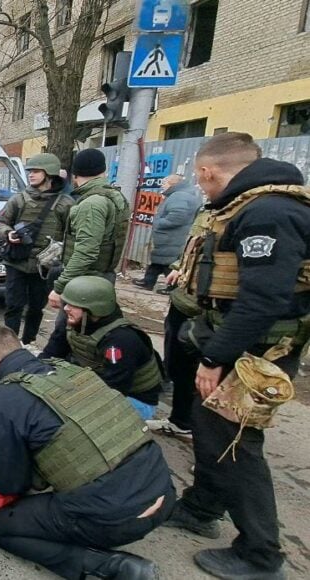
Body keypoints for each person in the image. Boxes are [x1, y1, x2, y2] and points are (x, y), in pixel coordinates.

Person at [162, 132, 310, 580]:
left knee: (234, 443)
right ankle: (201, 508)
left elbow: (263, 301)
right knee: (210, 431)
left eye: (202, 181)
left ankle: (260, 555)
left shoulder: (269, 212)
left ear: (208, 171)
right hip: (237, 345)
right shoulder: (254, 205)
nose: (202, 190)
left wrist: (215, 358)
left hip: (253, 354)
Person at [0, 325, 175, 580]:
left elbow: (9, 483)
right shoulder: (72, 370)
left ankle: (108, 566)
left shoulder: (3, 399)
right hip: (163, 491)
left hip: (117, 518)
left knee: (0, 526)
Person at [43, 149, 131, 357]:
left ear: (75, 174)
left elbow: (86, 251)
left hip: (84, 283)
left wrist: (60, 286)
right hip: (101, 277)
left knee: (67, 334)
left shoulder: (91, 203)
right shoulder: (115, 196)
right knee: (93, 331)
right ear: (103, 171)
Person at [41, 276, 164, 420]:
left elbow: (114, 388)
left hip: (134, 399)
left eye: (73, 305)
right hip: (97, 383)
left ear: (94, 309)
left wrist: (68, 396)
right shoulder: (73, 322)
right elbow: (49, 356)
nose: (66, 308)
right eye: (66, 303)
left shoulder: (121, 339)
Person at [0, 153, 73, 346]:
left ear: (50, 174)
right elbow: (0, 222)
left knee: (37, 307)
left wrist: (62, 255)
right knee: (13, 306)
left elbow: (71, 235)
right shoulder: (19, 199)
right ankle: (10, 345)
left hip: (44, 265)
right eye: (30, 171)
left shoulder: (65, 204)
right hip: (17, 261)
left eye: (36, 171)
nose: (31, 175)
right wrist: (8, 233)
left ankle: (29, 342)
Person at [146, 207, 210, 438]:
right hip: (184, 301)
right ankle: (181, 421)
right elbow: (194, 249)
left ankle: (214, 452)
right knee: (178, 367)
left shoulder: (251, 213)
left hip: (211, 312)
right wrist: (178, 267)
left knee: (209, 378)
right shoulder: (210, 211)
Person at [134, 175, 202, 292]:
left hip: (172, 237)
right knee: (158, 261)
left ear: (172, 184)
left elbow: (178, 216)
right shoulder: (184, 194)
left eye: (164, 183)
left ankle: (172, 287)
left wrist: (159, 223)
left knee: (168, 263)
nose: (162, 186)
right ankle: (148, 281)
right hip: (171, 237)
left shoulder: (179, 195)